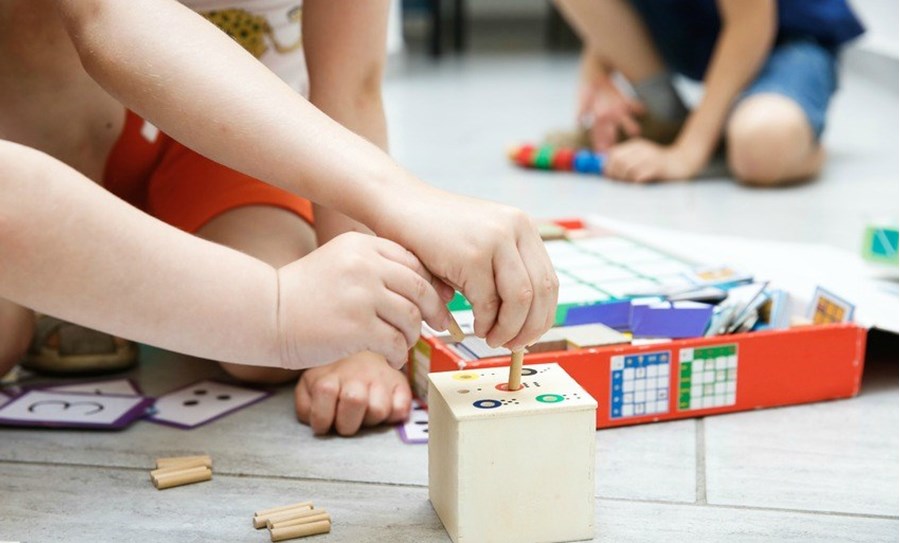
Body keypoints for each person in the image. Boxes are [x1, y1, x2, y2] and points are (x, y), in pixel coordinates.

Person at [0, 0, 559, 435]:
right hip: (47, 127)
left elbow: (349, 90)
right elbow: (110, 19)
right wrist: (282, 306)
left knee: (280, 348)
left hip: (228, 142)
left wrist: (362, 345)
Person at [553, 0, 864, 186]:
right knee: (746, 143)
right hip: (695, 28)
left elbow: (751, 22)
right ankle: (668, 120)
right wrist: (597, 71)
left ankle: (798, 145)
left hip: (791, 38)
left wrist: (687, 155)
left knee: (763, 147)